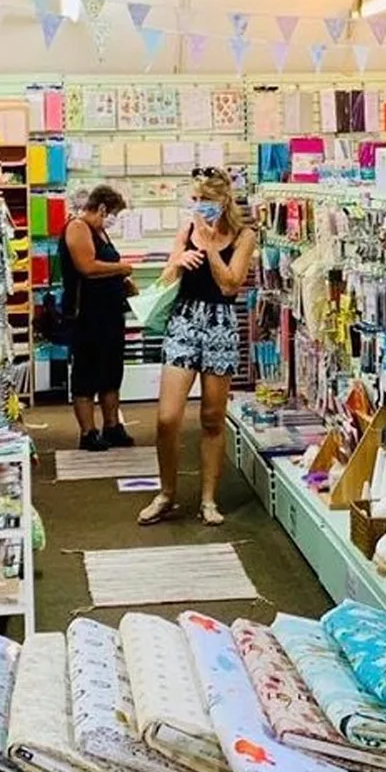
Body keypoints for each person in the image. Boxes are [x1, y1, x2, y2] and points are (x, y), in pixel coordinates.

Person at [138, 169, 255, 527]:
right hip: (184, 321)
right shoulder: (186, 230)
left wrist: (210, 251)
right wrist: (176, 263)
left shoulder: (244, 235)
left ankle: (208, 499)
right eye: (196, 200)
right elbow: (165, 281)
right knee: (166, 418)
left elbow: (231, 286)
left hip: (220, 323)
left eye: (207, 200)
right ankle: (166, 493)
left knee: (211, 417)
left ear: (224, 201)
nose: (201, 207)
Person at [62, 186, 138, 451]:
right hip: (87, 315)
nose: (113, 220)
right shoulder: (78, 227)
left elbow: (103, 267)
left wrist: (123, 281)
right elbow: (87, 266)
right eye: (113, 214)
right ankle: (88, 432)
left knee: (111, 371)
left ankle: (112, 425)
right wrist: (121, 267)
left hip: (110, 313)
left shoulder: (99, 231)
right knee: (86, 373)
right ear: (103, 208)